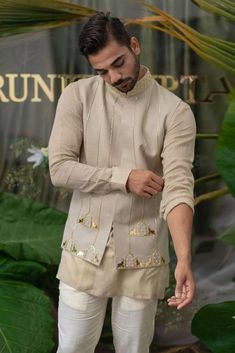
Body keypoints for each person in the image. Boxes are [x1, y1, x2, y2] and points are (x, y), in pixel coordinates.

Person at [48, 11, 196, 353]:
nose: (114, 77)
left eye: (119, 63)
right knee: (72, 348)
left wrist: (185, 258)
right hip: (84, 251)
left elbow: (177, 188)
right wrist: (123, 178)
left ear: (134, 45)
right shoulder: (78, 97)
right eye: (101, 71)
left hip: (141, 256)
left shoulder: (174, 112)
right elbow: (60, 169)